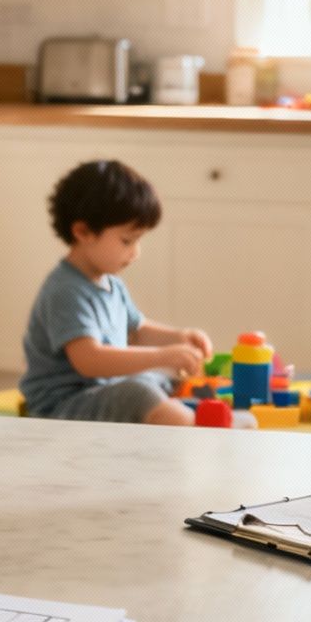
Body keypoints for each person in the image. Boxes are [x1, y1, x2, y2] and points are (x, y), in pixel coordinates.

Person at [19, 160, 213, 425]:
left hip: (103, 391)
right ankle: (197, 425)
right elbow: (90, 360)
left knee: (161, 378)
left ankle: (193, 412)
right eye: (127, 241)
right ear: (83, 232)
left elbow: (137, 330)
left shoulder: (110, 282)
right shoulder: (65, 290)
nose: (135, 253)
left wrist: (179, 337)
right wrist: (161, 356)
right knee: (139, 392)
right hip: (63, 406)